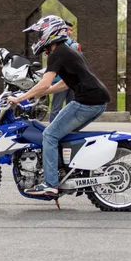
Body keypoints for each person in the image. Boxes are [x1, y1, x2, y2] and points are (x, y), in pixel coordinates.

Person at [7, 15, 109, 197]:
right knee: (61, 135)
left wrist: (20, 98)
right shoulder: (66, 51)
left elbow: (45, 82)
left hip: (86, 101)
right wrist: (40, 94)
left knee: (50, 134)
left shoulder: (58, 53)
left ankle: (50, 183)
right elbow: (65, 83)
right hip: (97, 100)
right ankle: (66, 172)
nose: (38, 39)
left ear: (50, 32)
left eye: (39, 34)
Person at [49, 20, 81, 122]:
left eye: (71, 30)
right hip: (59, 80)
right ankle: (52, 128)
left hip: (72, 80)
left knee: (71, 106)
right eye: (67, 29)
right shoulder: (56, 44)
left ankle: (68, 128)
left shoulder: (74, 44)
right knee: (56, 107)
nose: (69, 32)